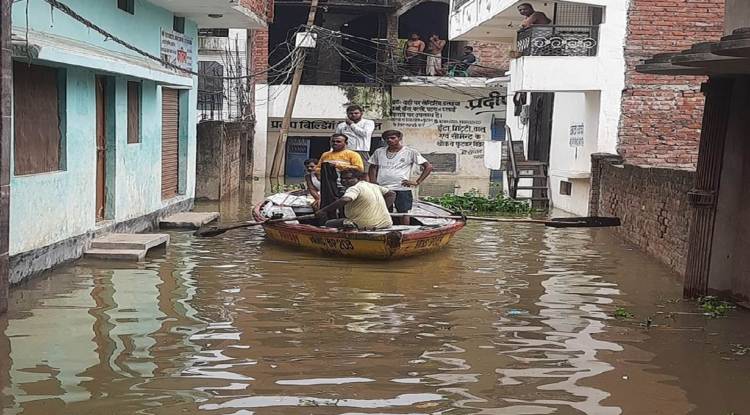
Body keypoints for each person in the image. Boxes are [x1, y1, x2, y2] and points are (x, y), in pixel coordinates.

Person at [369, 130, 433, 225]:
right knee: (383, 211)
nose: (390, 140)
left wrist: (417, 182)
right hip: (383, 187)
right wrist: (373, 182)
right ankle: (386, 229)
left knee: (403, 212)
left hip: (402, 187)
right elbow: (372, 167)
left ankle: (405, 231)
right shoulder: (379, 151)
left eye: (393, 138)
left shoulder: (410, 152)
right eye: (387, 138)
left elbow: (428, 167)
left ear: (399, 138)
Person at [316, 169, 396, 230]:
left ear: (358, 179)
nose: (344, 181)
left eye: (348, 178)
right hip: (386, 223)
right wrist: (383, 208)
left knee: (328, 223)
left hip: (364, 225)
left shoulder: (354, 188)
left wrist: (323, 210)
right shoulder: (373, 186)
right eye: (342, 178)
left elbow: (345, 200)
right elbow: (391, 194)